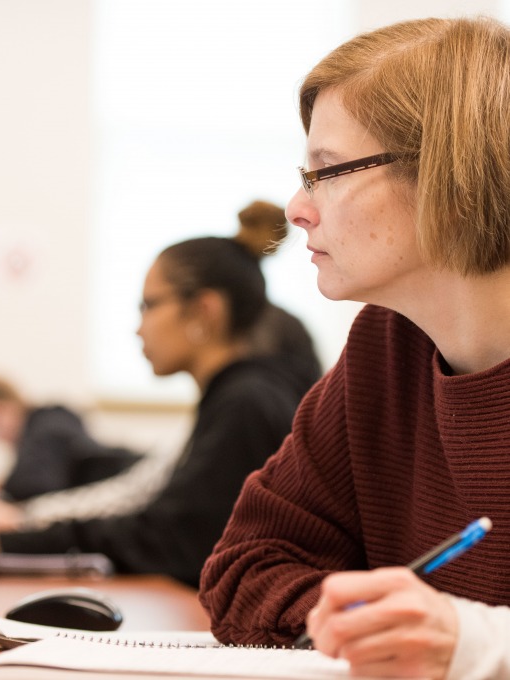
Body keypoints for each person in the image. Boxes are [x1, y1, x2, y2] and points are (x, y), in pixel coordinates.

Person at [198, 15, 510, 680]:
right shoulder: (385, 344)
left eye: (329, 171)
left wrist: (470, 639)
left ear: (450, 183)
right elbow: (245, 569)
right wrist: (374, 622)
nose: (296, 208)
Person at [0, 201, 321, 588]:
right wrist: (17, 526)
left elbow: (166, 540)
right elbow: (148, 512)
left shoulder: (246, 403)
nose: (138, 327)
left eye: (148, 305)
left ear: (203, 311)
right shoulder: (237, 396)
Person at [0, 377, 142, 502]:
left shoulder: (45, 428)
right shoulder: (47, 422)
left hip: (135, 483)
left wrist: (2, 489)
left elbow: (39, 485)